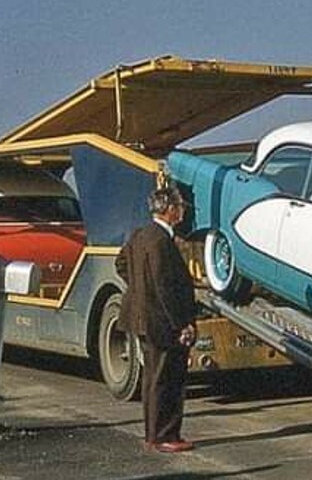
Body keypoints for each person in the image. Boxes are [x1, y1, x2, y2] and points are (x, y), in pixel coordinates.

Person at [115, 186, 196, 453]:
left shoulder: (139, 234)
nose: (182, 210)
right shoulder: (161, 241)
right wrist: (181, 324)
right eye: (180, 206)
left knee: (152, 377)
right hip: (161, 320)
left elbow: (121, 264)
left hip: (141, 317)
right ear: (170, 210)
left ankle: (152, 434)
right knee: (168, 379)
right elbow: (164, 287)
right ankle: (165, 436)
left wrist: (138, 289)